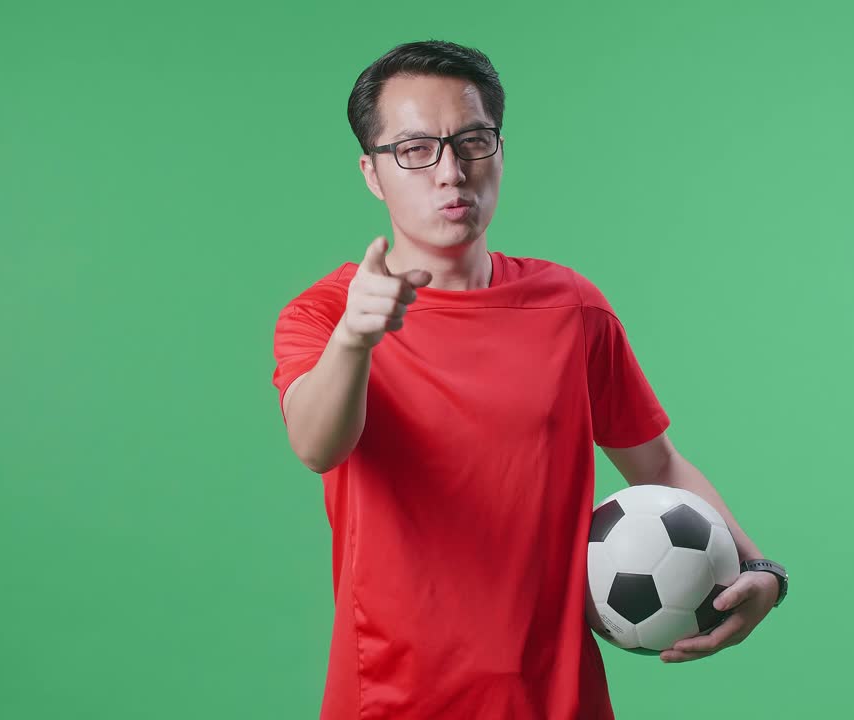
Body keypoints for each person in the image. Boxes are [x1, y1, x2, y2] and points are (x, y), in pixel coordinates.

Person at [271, 40, 788, 720]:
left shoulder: (570, 308)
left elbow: (656, 463)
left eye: (472, 141)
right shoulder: (327, 314)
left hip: (556, 698)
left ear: (500, 151)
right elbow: (317, 443)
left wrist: (761, 573)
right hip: (391, 699)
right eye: (416, 149)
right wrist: (354, 341)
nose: (451, 172)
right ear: (372, 172)